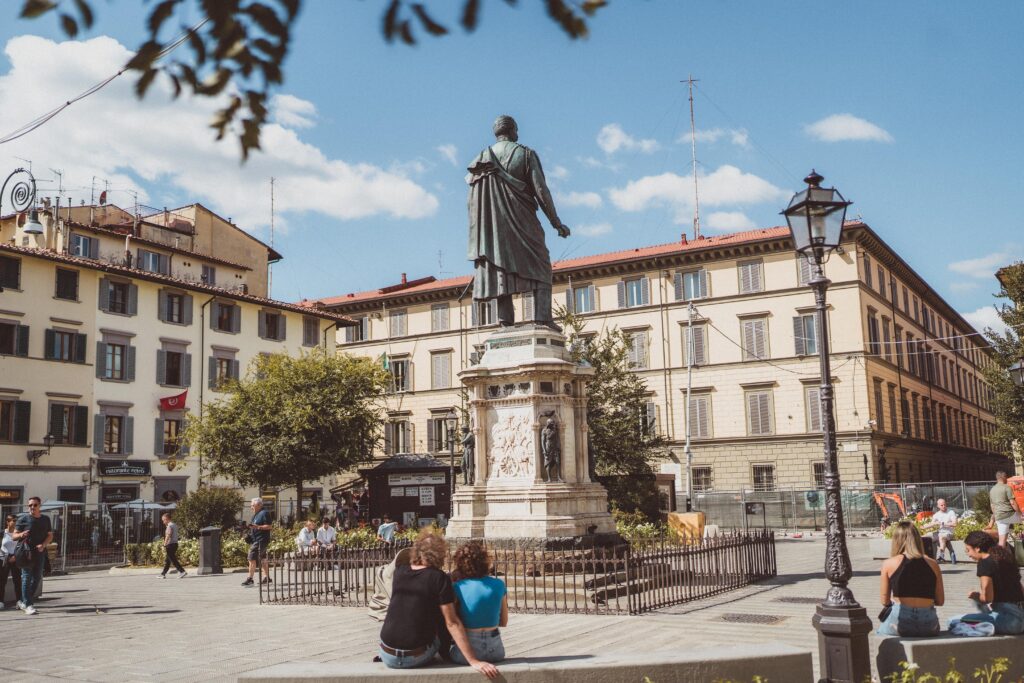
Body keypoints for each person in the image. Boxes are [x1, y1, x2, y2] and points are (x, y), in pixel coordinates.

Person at [466, 115, 570, 328]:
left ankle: (505, 322)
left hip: (493, 228)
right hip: (523, 222)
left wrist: (480, 234)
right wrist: (556, 222)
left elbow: (472, 202)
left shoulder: (481, 159)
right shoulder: (525, 154)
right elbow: (541, 190)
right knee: (542, 265)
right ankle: (543, 319)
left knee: (501, 268)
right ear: (513, 131)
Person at [378, 531, 498, 678]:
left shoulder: (400, 572)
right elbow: (452, 623)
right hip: (415, 657)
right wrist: (474, 661)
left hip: (386, 653)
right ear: (439, 554)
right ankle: (446, 654)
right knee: (445, 613)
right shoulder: (438, 578)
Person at [877, 520, 944, 637]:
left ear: (897, 540)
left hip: (900, 620)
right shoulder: (933, 564)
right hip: (929, 624)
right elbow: (940, 601)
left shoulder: (888, 563)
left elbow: (884, 601)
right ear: (918, 539)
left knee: (881, 634)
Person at [449, 542, 508, 666]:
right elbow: (503, 622)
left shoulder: (458, 587)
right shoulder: (499, 584)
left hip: (466, 653)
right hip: (496, 651)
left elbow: (452, 622)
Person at [955, 530, 1024, 634]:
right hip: (1020, 615)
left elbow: (987, 598)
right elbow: (1021, 589)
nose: (968, 554)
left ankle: (983, 629)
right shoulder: (1005, 558)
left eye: (968, 550)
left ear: (977, 548)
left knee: (953, 621)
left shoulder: (984, 562)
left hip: (1009, 620)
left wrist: (976, 596)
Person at [12, 496, 53, 615]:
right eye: (30, 505)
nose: (32, 507)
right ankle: (29, 605)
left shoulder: (45, 519)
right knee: (26, 577)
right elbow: (14, 536)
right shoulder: (23, 519)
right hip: (26, 553)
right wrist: (21, 535)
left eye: (35, 505)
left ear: (39, 506)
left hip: (40, 553)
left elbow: (50, 535)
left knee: (37, 578)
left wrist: (43, 545)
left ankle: (24, 601)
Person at [986, 470, 1021, 548]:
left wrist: (993, 520)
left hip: (999, 518)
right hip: (1009, 515)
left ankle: (1000, 559)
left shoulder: (992, 490)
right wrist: (1020, 513)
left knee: (1002, 542)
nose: (1007, 479)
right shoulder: (1007, 487)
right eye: (1006, 477)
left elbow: (992, 506)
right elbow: (1012, 503)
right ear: (1003, 477)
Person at [242, 498, 272, 587]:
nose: (251, 507)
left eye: (252, 505)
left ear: (259, 505)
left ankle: (250, 579)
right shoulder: (255, 515)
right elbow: (254, 527)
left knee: (251, 558)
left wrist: (257, 527)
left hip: (261, 540)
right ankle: (267, 577)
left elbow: (269, 526)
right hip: (256, 540)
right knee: (262, 559)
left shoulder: (264, 513)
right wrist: (249, 536)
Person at [1, 514, 23, 608]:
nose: (15, 522)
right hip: (3, 559)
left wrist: (15, 556)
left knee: (17, 581)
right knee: (2, 581)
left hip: (16, 559)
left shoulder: (19, 533)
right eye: (13, 520)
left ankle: (19, 601)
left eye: (16, 520)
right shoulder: (2, 533)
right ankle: (1, 601)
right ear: (8, 522)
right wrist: (7, 555)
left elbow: (21, 546)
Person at [928, 498, 958, 564]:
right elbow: (932, 524)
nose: (944, 506)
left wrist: (943, 523)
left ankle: (941, 555)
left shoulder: (951, 512)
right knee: (928, 538)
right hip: (940, 532)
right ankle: (933, 558)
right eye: (942, 505)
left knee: (942, 537)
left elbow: (955, 524)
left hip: (949, 533)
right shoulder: (936, 515)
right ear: (938, 506)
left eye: (944, 505)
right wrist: (923, 527)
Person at [160, 512, 187, 579]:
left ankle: (182, 571)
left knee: (173, 560)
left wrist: (164, 543)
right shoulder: (174, 525)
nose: (163, 522)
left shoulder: (169, 526)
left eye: (163, 520)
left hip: (170, 545)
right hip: (175, 544)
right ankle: (163, 574)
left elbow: (168, 535)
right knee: (168, 560)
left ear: (167, 519)